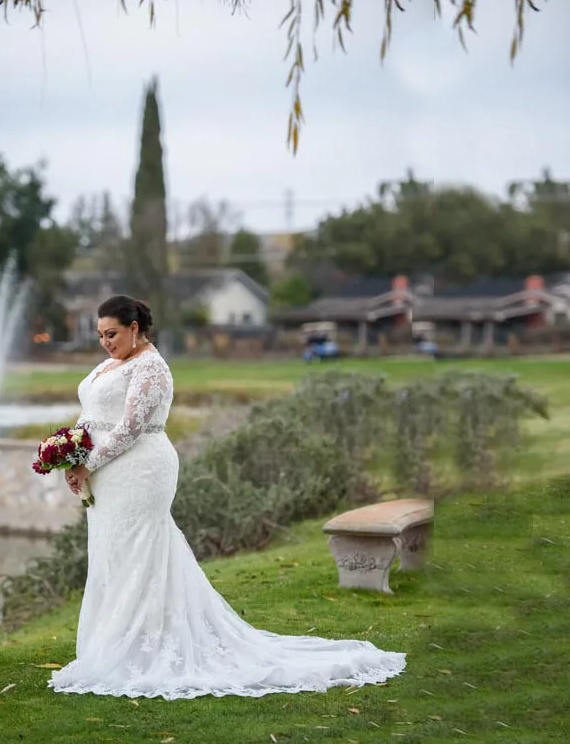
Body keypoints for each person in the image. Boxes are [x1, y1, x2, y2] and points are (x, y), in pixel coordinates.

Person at [52, 295, 405, 700]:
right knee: (112, 552)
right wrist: (70, 454)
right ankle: (116, 642)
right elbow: (92, 412)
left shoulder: (151, 367)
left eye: (111, 334)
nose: (105, 343)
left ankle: (140, 648)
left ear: (135, 328)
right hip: (104, 473)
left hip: (140, 470)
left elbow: (130, 428)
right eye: (100, 335)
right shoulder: (110, 364)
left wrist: (88, 463)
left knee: (138, 551)